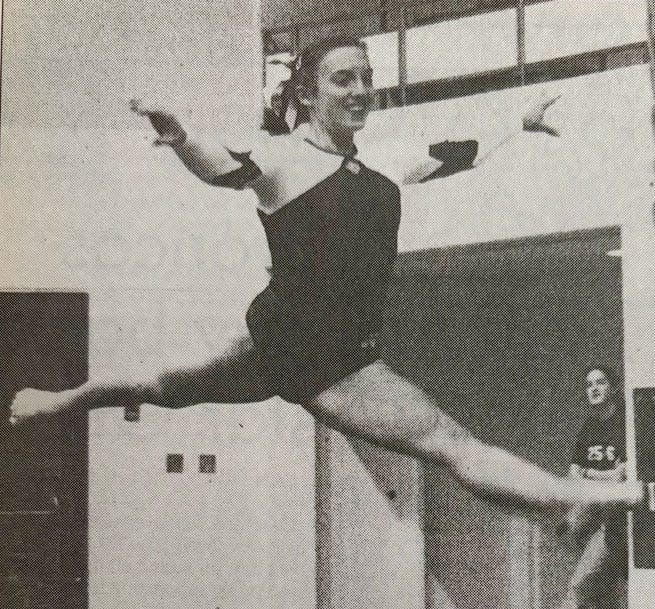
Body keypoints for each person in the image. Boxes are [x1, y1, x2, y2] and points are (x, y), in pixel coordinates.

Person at [10, 35, 652, 518]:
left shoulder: (385, 158)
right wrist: (181, 139)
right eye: (343, 79)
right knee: (450, 443)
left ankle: (52, 401)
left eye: (367, 79)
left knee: (169, 385)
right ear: (308, 95)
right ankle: (585, 499)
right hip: (329, 360)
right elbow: (220, 167)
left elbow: (461, 154)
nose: (359, 90)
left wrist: (519, 121)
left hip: (285, 342)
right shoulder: (283, 160)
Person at [559, 367, 629, 609]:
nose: (594, 389)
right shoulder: (589, 427)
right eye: (589, 385)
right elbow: (572, 476)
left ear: (613, 387)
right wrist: (603, 475)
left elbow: (621, 478)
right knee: (600, 597)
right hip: (601, 523)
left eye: (600, 383)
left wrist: (588, 474)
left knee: (580, 589)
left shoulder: (625, 422)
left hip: (625, 524)